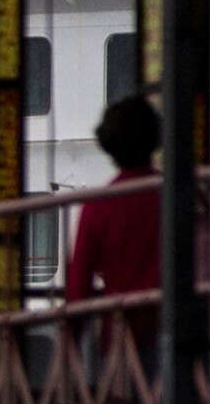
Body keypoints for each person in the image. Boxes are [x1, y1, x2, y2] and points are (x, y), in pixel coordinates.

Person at [56, 94, 161, 308]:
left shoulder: (98, 207)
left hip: (122, 331)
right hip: (184, 327)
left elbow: (79, 289)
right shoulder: (181, 196)